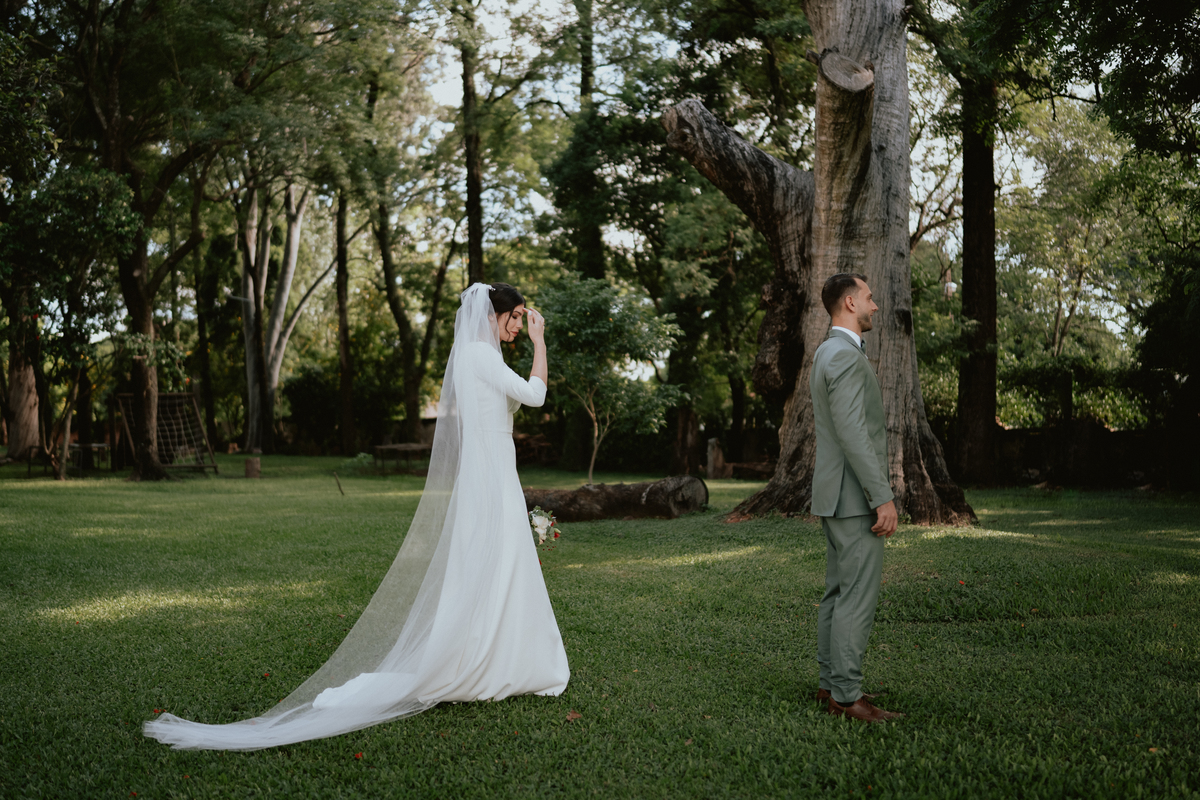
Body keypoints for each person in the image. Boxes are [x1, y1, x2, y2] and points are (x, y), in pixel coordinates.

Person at [144, 282, 569, 750]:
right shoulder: (481, 355)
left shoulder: (476, 356)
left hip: (490, 471)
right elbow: (535, 396)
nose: (520, 325)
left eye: (524, 320)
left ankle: (497, 653)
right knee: (497, 561)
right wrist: (540, 343)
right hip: (490, 473)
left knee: (495, 563)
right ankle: (494, 659)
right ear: (495, 314)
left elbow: (509, 402)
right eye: (516, 317)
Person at [809, 272, 903, 724]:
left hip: (834, 497)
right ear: (850, 302)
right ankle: (847, 697)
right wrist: (881, 496)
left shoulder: (826, 351)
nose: (874, 305)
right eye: (869, 296)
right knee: (855, 597)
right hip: (852, 499)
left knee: (838, 593)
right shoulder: (845, 356)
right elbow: (852, 434)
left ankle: (831, 686)